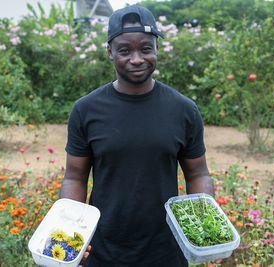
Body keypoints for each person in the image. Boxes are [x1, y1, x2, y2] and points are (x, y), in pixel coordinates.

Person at [60, 4, 215, 267]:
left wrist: (205, 229)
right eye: (124, 50)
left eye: (145, 48)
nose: (136, 59)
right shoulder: (86, 110)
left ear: (156, 49)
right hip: (103, 248)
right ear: (110, 51)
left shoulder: (183, 109)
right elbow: (75, 176)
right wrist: (68, 236)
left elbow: (198, 173)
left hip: (167, 249)